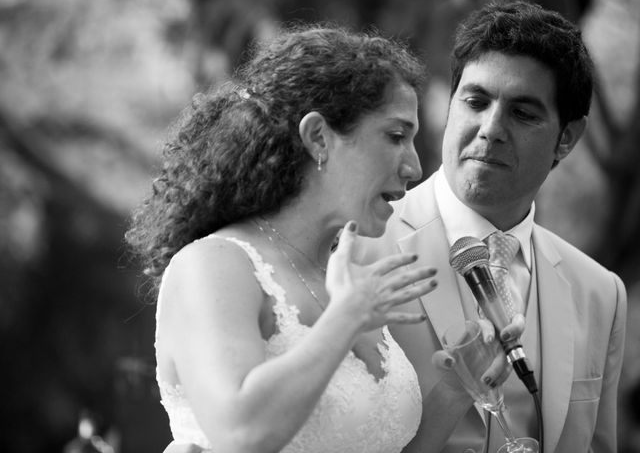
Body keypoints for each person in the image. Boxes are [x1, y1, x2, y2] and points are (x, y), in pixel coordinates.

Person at [125, 26, 511, 453]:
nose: (415, 167)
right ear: (318, 138)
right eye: (396, 136)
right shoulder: (213, 265)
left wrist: (457, 388)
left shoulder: (347, 279)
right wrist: (345, 318)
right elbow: (241, 433)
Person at [361, 0, 627, 453]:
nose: (490, 128)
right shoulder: (359, 248)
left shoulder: (600, 293)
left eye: (523, 113)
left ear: (567, 137)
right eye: (476, 101)